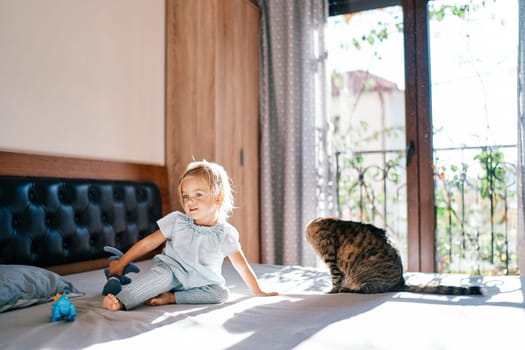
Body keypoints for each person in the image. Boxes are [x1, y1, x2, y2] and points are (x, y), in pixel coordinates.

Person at [101, 160, 278, 311]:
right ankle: (121, 301)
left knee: (221, 293)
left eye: (198, 194)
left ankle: (172, 298)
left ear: (218, 198)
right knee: (159, 279)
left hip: (199, 281)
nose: (190, 201)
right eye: (185, 196)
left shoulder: (225, 234)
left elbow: (242, 267)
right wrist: (122, 263)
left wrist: (258, 290)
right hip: (171, 270)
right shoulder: (177, 222)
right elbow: (148, 243)